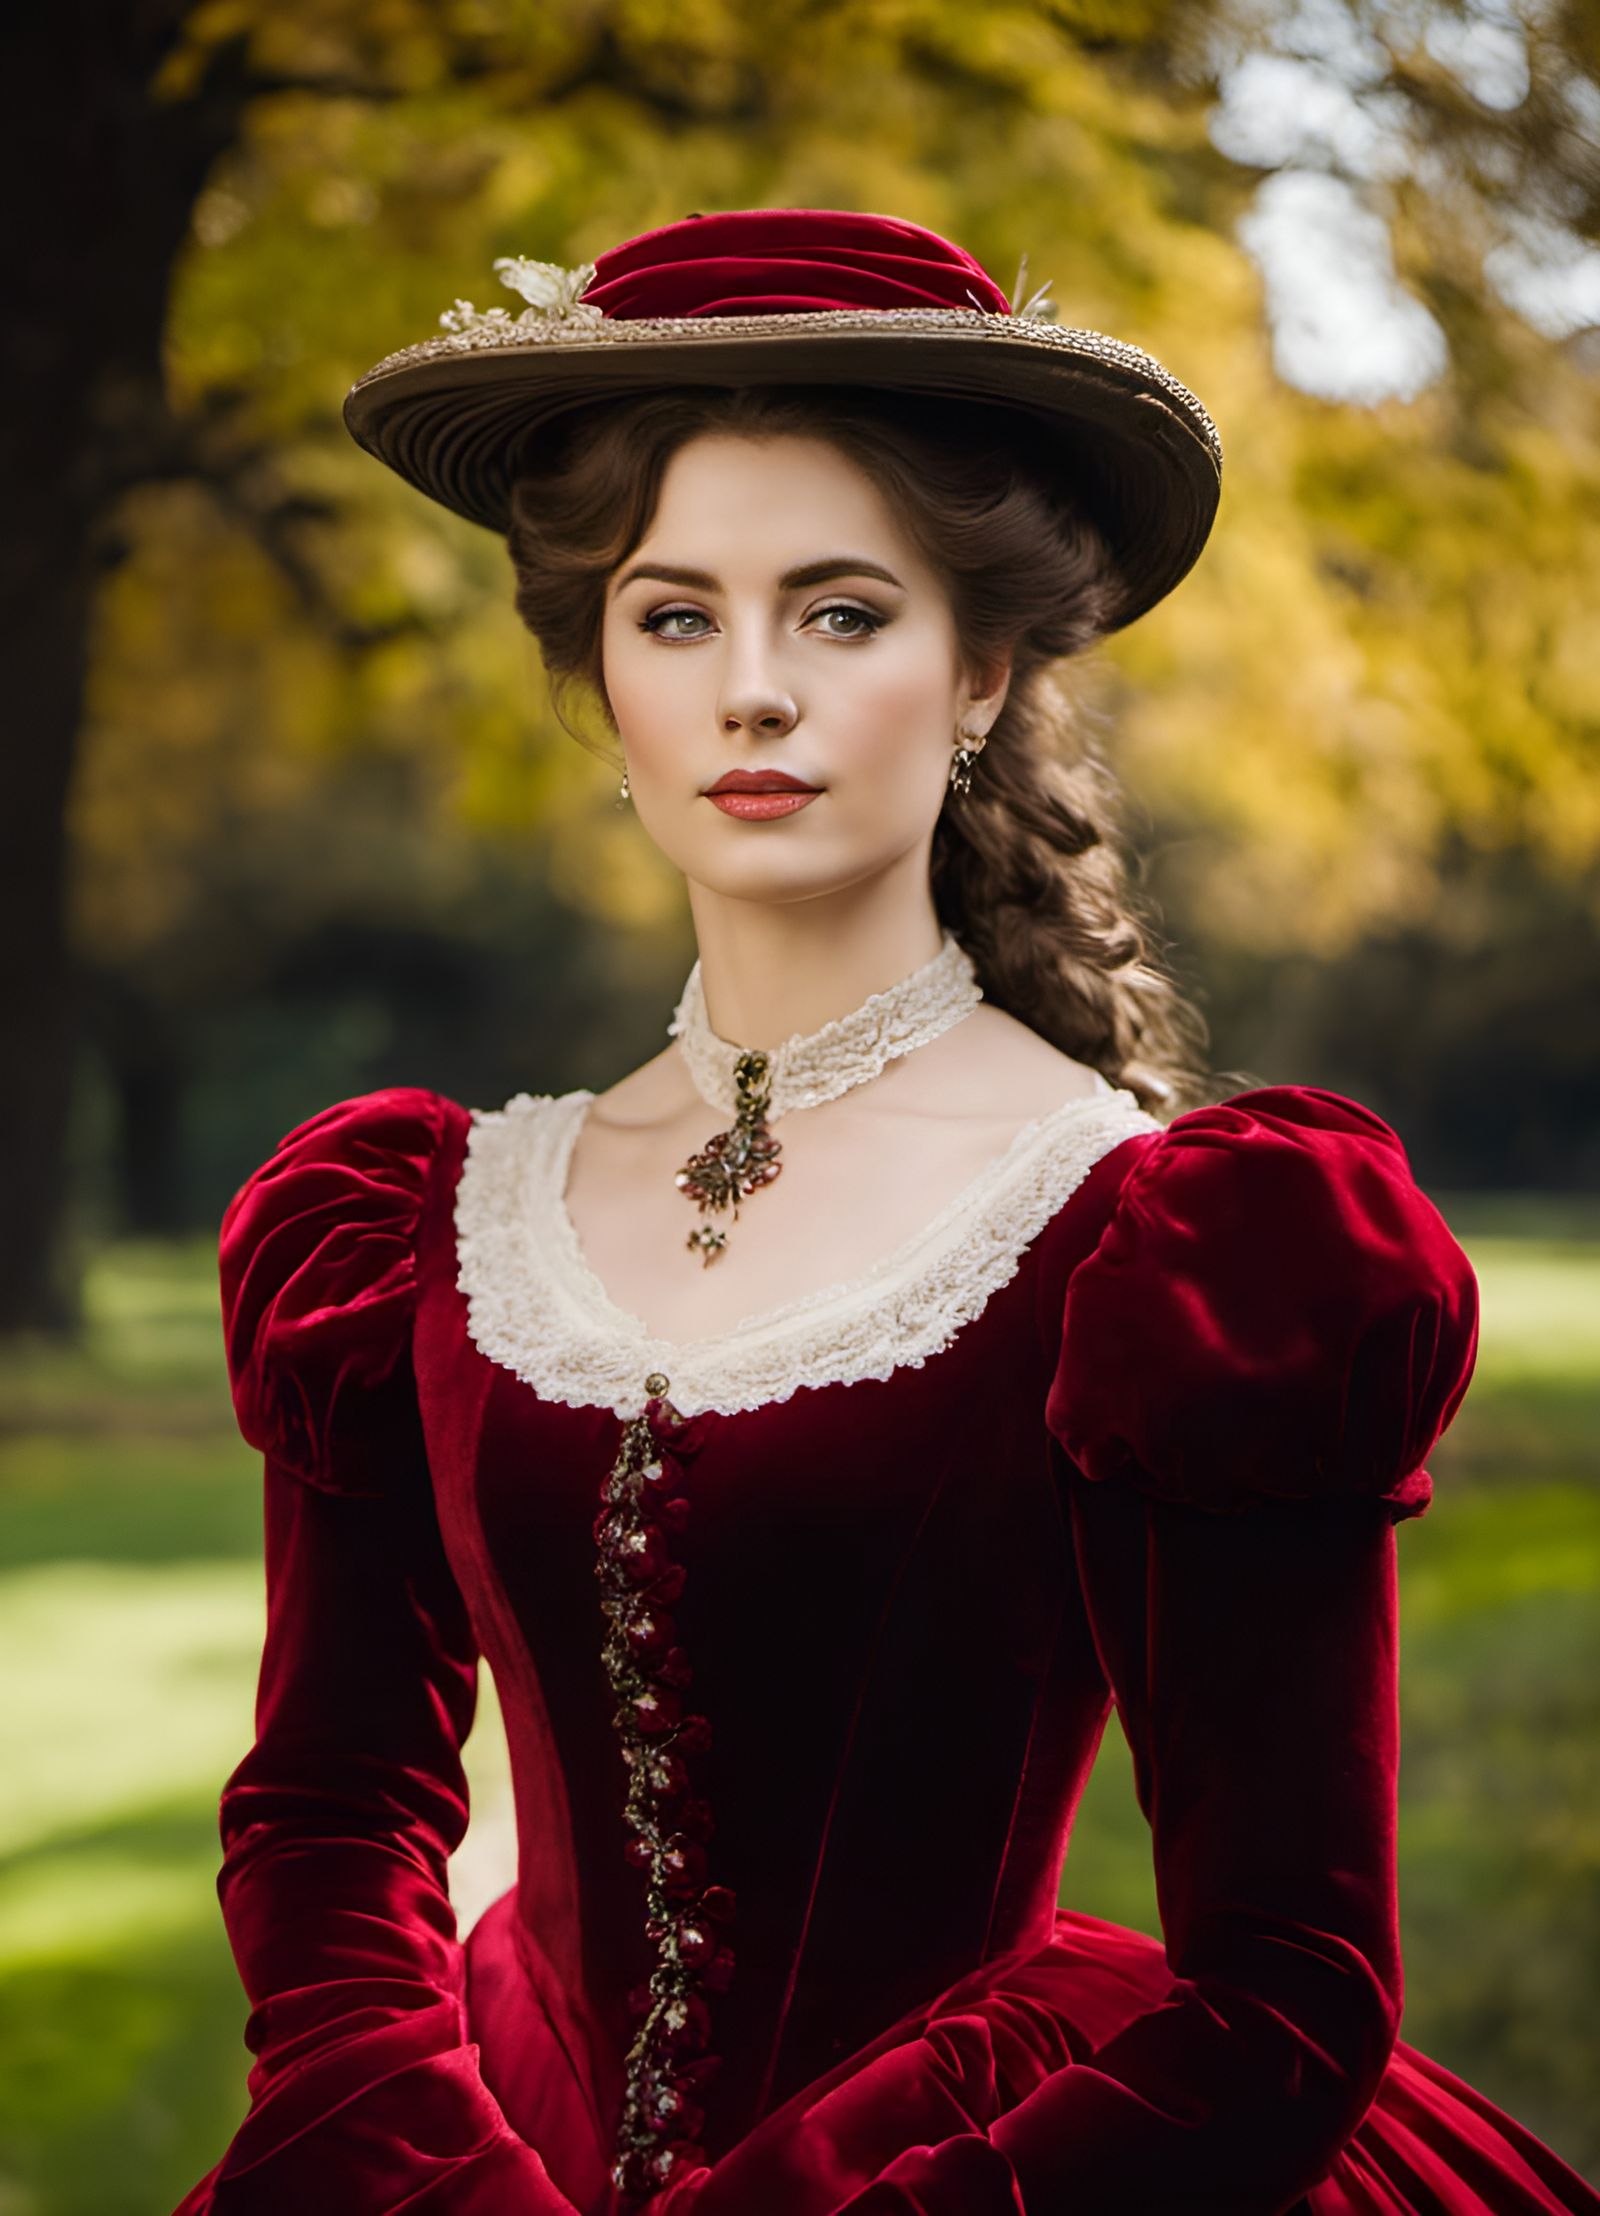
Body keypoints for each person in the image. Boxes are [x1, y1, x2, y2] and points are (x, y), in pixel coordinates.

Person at [172, 210, 1599, 2215]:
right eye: (673, 616)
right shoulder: (415, 1218)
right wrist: (431, 2170)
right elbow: (330, 1813)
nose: (750, 692)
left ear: (979, 671)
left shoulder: (1172, 1250)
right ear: (598, 665)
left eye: (839, 613)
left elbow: (1285, 1993)